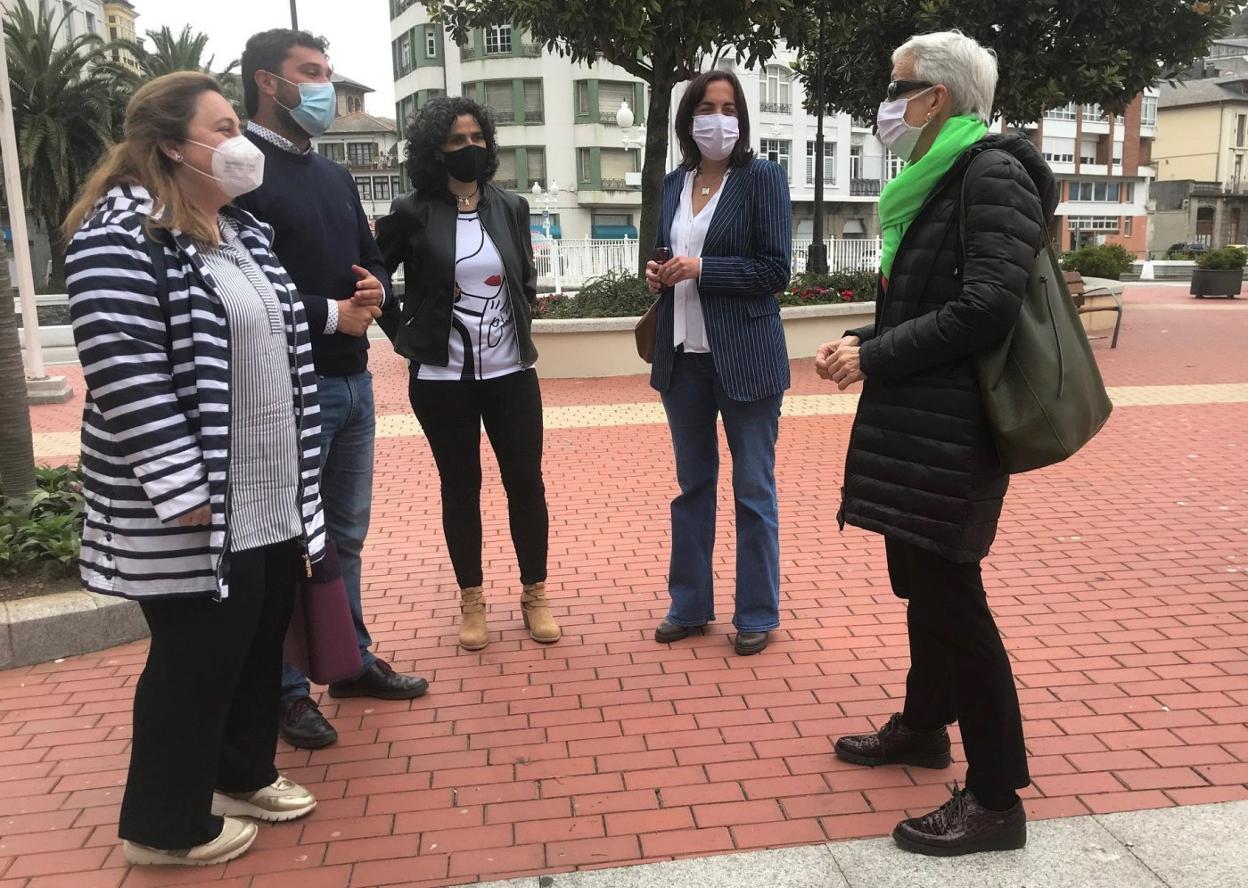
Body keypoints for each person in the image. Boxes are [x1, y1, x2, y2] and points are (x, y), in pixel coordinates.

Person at [64, 72, 327, 867]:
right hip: (194, 505)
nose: (240, 143)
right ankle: (163, 825)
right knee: (192, 663)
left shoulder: (239, 232)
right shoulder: (121, 234)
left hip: (268, 496)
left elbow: (278, 339)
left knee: (252, 651)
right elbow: (125, 370)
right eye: (222, 128)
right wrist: (181, 486)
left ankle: (241, 774)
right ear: (173, 146)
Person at [814, 31, 1056, 856]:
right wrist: (863, 338)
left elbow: (987, 306)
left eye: (898, 86)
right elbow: (931, 300)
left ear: (937, 99)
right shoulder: (936, 179)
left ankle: (996, 799)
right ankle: (923, 728)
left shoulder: (991, 174)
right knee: (926, 585)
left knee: (957, 605)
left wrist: (876, 354)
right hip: (917, 423)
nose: (888, 101)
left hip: (954, 430)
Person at [235, 29, 428, 751]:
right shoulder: (241, 172)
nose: (321, 86)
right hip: (286, 389)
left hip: (351, 382)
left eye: (326, 71)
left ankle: (347, 660)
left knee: (345, 534)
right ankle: (286, 694)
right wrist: (329, 313)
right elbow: (244, 287)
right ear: (267, 82)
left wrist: (376, 285)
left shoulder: (335, 176)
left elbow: (368, 259)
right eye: (308, 73)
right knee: (291, 541)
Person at [375, 96, 560, 652]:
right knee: (461, 488)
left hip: (510, 373)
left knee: (525, 483)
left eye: (477, 138)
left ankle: (535, 594)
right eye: (456, 141)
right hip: (440, 380)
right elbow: (375, 282)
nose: (469, 148)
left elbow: (522, 278)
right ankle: (472, 600)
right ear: (435, 151)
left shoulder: (512, 207)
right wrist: (407, 337)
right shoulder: (410, 212)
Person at [644, 70, 792, 657]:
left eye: (729, 107)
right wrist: (660, 273)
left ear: (742, 118)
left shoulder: (762, 178)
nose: (719, 118)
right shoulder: (674, 182)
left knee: (753, 489)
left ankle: (756, 611)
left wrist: (703, 269)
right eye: (707, 106)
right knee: (692, 486)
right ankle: (690, 604)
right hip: (683, 358)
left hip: (747, 359)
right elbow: (662, 254)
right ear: (689, 118)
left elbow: (774, 271)